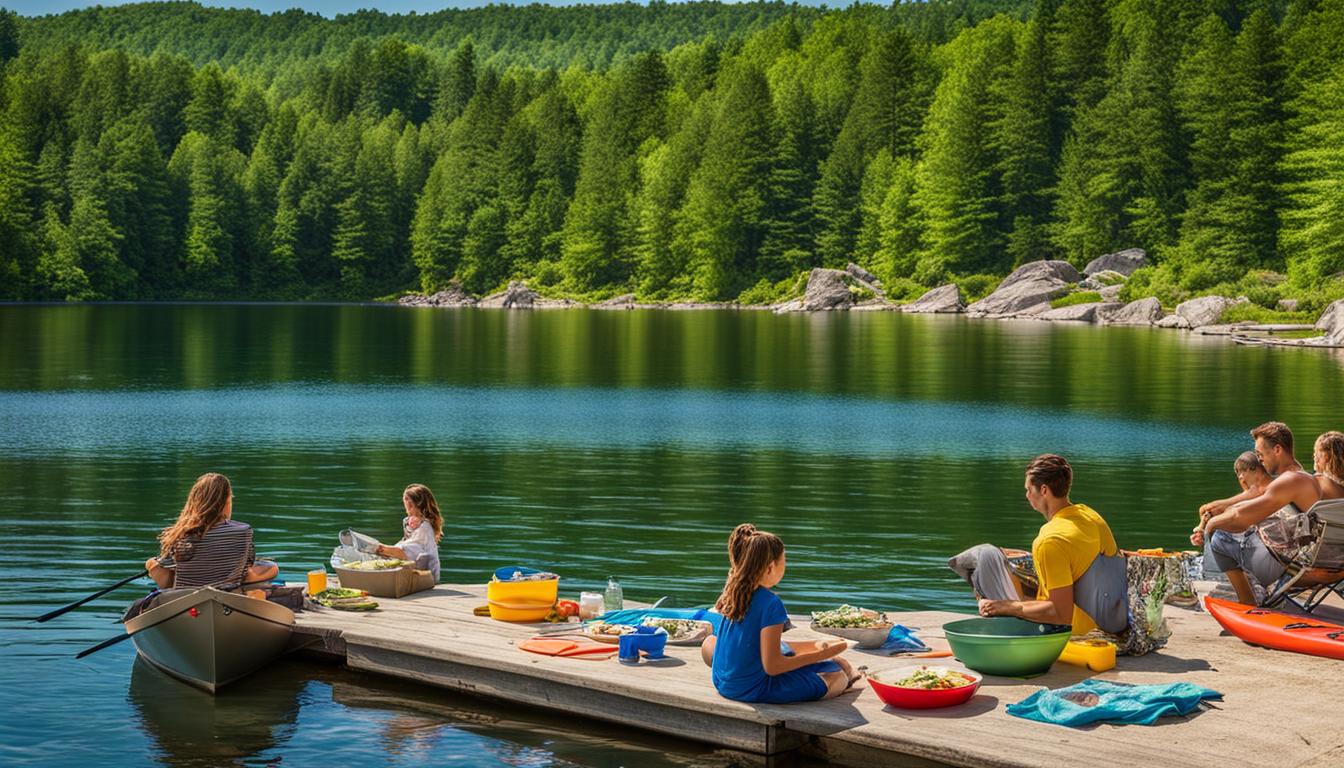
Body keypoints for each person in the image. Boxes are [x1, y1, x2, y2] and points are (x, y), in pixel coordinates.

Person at [948, 454, 1128, 636]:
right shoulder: (1090, 516)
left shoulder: (1049, 541)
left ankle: (1006, 628)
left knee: (984, 556)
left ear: (1044, 490)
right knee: (1011, 559)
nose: (1026, 495)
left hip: (1076, 633)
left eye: (1028, 489)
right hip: (1113, 621)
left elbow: (1061, 615)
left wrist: (1009, 607)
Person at [700, 524, 858, 704]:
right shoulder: (771, 603)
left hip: (723, 683)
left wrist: (815, 645)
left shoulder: (733, 591)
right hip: (753, 689)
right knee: (837, 677)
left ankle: (838, 665)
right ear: (770, 568)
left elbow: (759, 644)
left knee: (710, 641)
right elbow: (773, 666)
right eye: (784, 561)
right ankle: (848, 678)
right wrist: (819, 655)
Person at [1194, 422, 1322, 605]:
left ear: (1277, 449)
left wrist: (1209, 527)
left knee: (1220, 537)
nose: (1260, 460)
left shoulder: (1289, 481)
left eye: (1261, 455)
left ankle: (1248, 600)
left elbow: (1240, 517)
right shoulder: (1302, 476)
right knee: (1237, 530)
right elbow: (1251, 503)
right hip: (1302, 558)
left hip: (1284, 565)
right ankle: (1257, 592)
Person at [145, 473, 277, 591]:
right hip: (227, 591)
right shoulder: (243, 530)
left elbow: (167, 564)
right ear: (226, 501)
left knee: (152, 563)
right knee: (272, 567)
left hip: (185, 595)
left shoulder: (181, 533)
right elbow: (247, 564)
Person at [373, 483, 442, 582]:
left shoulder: (424, 527)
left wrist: (377, 548)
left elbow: (406, 552)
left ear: (411, 503)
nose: (404, 503)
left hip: (427, 577)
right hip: (419, 574)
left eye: (405, 499)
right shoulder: (409, 522)